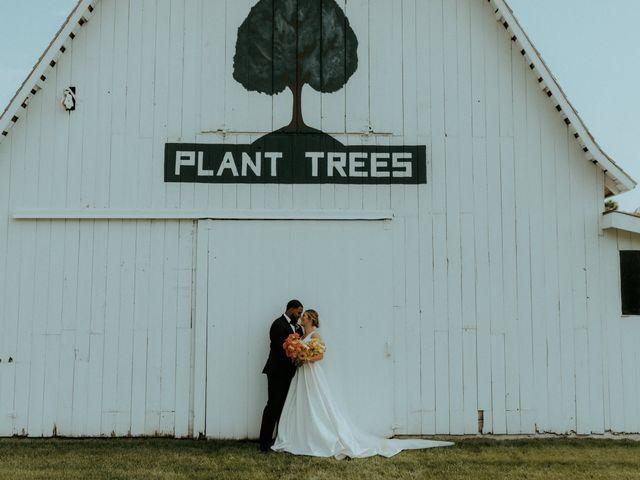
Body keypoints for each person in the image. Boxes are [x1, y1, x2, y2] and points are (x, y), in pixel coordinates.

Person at [272, 309, 454, 459]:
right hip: (302, 373)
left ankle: (322, 436)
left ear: (311, 319)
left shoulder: (315, 336)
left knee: (316, 403)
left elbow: (320, 356)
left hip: (312, 373)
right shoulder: (301, 336)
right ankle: (303, 435)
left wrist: (306, 357)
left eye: (304, 316)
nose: (301, 317)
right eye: (302, 315)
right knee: (302, 403)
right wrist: (297, 356)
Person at [259, 299, 304, 452]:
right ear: (290, 309)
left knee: (284, 407)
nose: (299, 316)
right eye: (298, 312)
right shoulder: (277, 324)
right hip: (276, 372)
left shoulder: (298, 329)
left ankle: (279, 440)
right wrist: (294, 350)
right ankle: (264, 443)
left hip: (289, 374)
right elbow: (280, 346)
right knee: (273, 406)